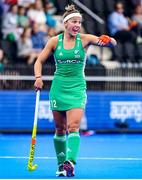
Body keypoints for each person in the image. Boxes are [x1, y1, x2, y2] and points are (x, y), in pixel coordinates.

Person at [34, 4, 117, 177]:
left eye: (79, 22)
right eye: (74, 21)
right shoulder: (54, 41)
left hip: (77, 88)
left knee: (73, 126)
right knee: (59, 128)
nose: (77, 25)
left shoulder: (85, 39)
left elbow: (112, 44)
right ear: (65, 24)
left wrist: (109, 40)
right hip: (58, 88)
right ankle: (60, 165)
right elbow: (38, 61)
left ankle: (70, 162)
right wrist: (38, 78)